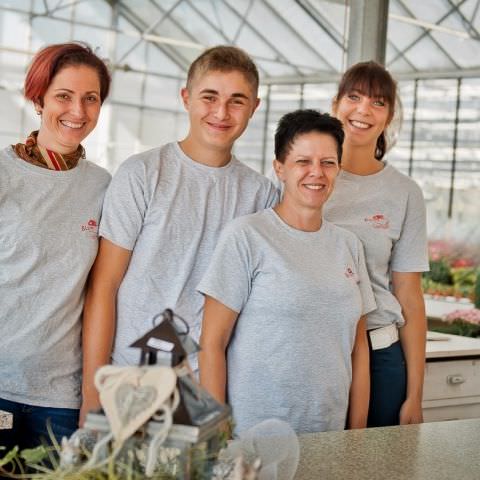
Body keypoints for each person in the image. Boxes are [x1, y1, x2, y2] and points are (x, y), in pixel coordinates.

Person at [80, 45, 278, 424]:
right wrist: (93, 392)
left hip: (206, 390)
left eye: (237, 101)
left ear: (254, 107)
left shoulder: (262, 196)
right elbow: (103, 287)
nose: (221, 113)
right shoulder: (142, 174)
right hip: (129, 381)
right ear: (186, 98)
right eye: (210, 97)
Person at [198, 109, 376, 435]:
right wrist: (217, 438)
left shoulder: (349, 245)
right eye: (302, 162)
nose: (316, 173)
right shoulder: (247, 236)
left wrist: (357, 435)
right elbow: (211, 343)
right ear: (279, 168)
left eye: (327, 162)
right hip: (254, 438)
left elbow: (358, 348)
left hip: (329, 435)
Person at [0, 43, 111, 450]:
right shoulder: (4, 173)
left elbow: (104, 290)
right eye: (64, 96)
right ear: (38, 97)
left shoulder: (103, 186)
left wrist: (93, 396)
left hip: (63, 400)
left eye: (91, 98)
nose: (78, 112)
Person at [325, 61, 429, 427]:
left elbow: (410, 297)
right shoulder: (308, 175)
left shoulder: (404, 193)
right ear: (336, 103)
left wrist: (414, 395)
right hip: (316, 346)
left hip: (380, 352)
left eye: (378, 102)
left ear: (390, 116)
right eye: (354, 97)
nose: (363, 110)